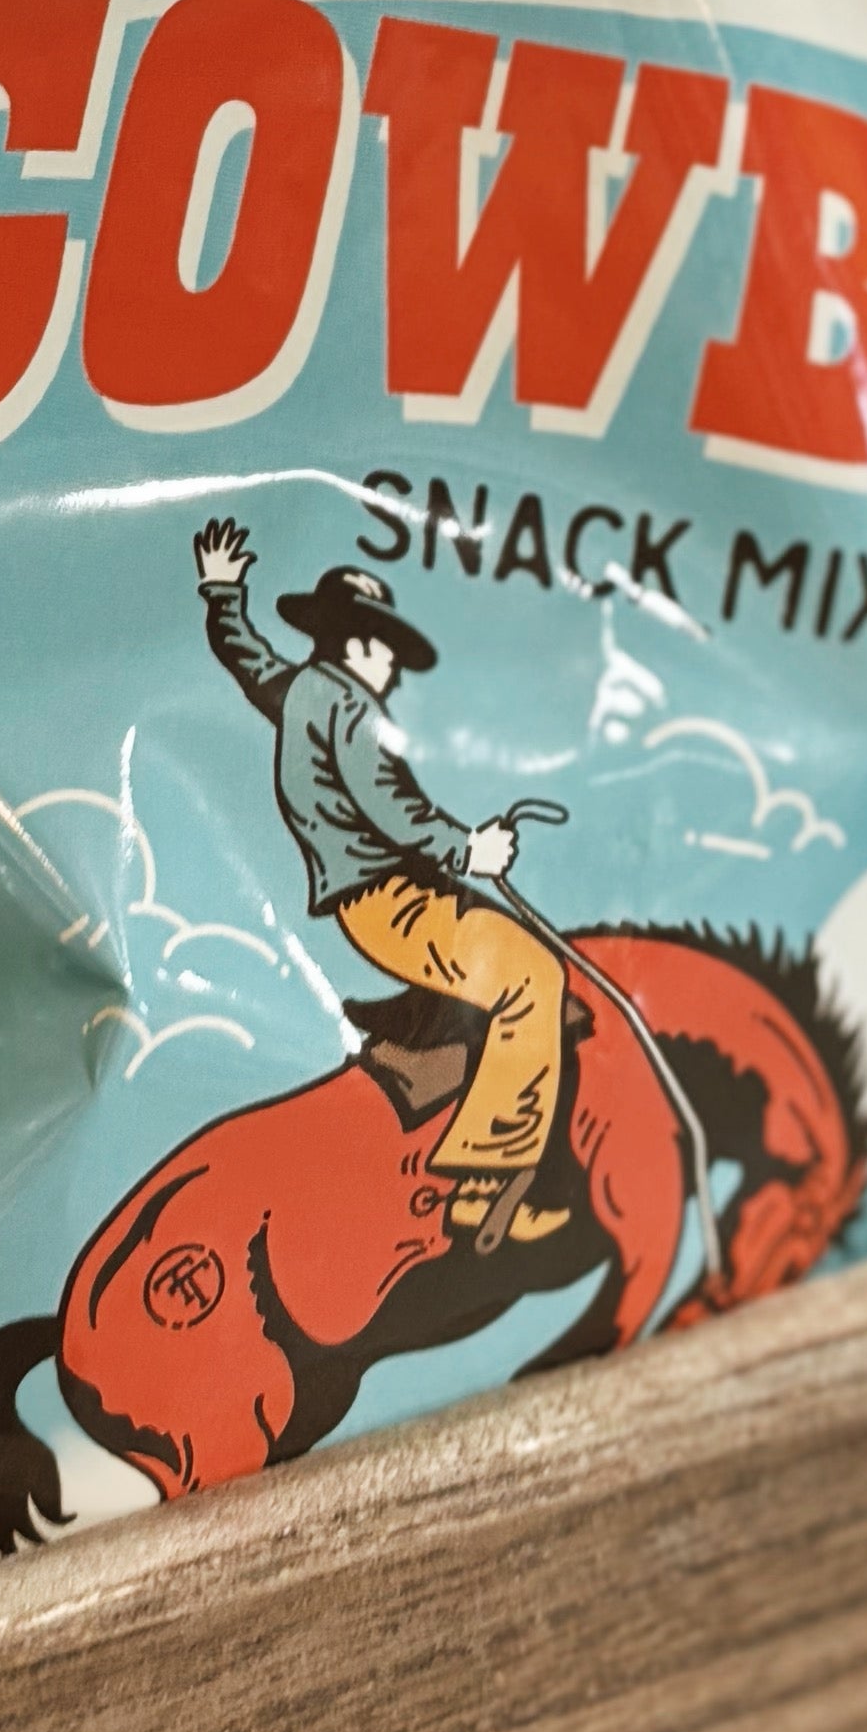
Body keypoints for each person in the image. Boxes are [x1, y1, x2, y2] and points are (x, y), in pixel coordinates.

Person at [188, 520, 567, 1244]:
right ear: (359, 644)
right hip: (395, 899)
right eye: (387, 651)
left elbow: (244, 656)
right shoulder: (351, 708)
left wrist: (223, 593)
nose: (393, 669)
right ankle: (484, 1184)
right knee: (531, 979)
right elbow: (390, 806)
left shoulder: (299, 690)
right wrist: (469, 849)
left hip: (374, 902)